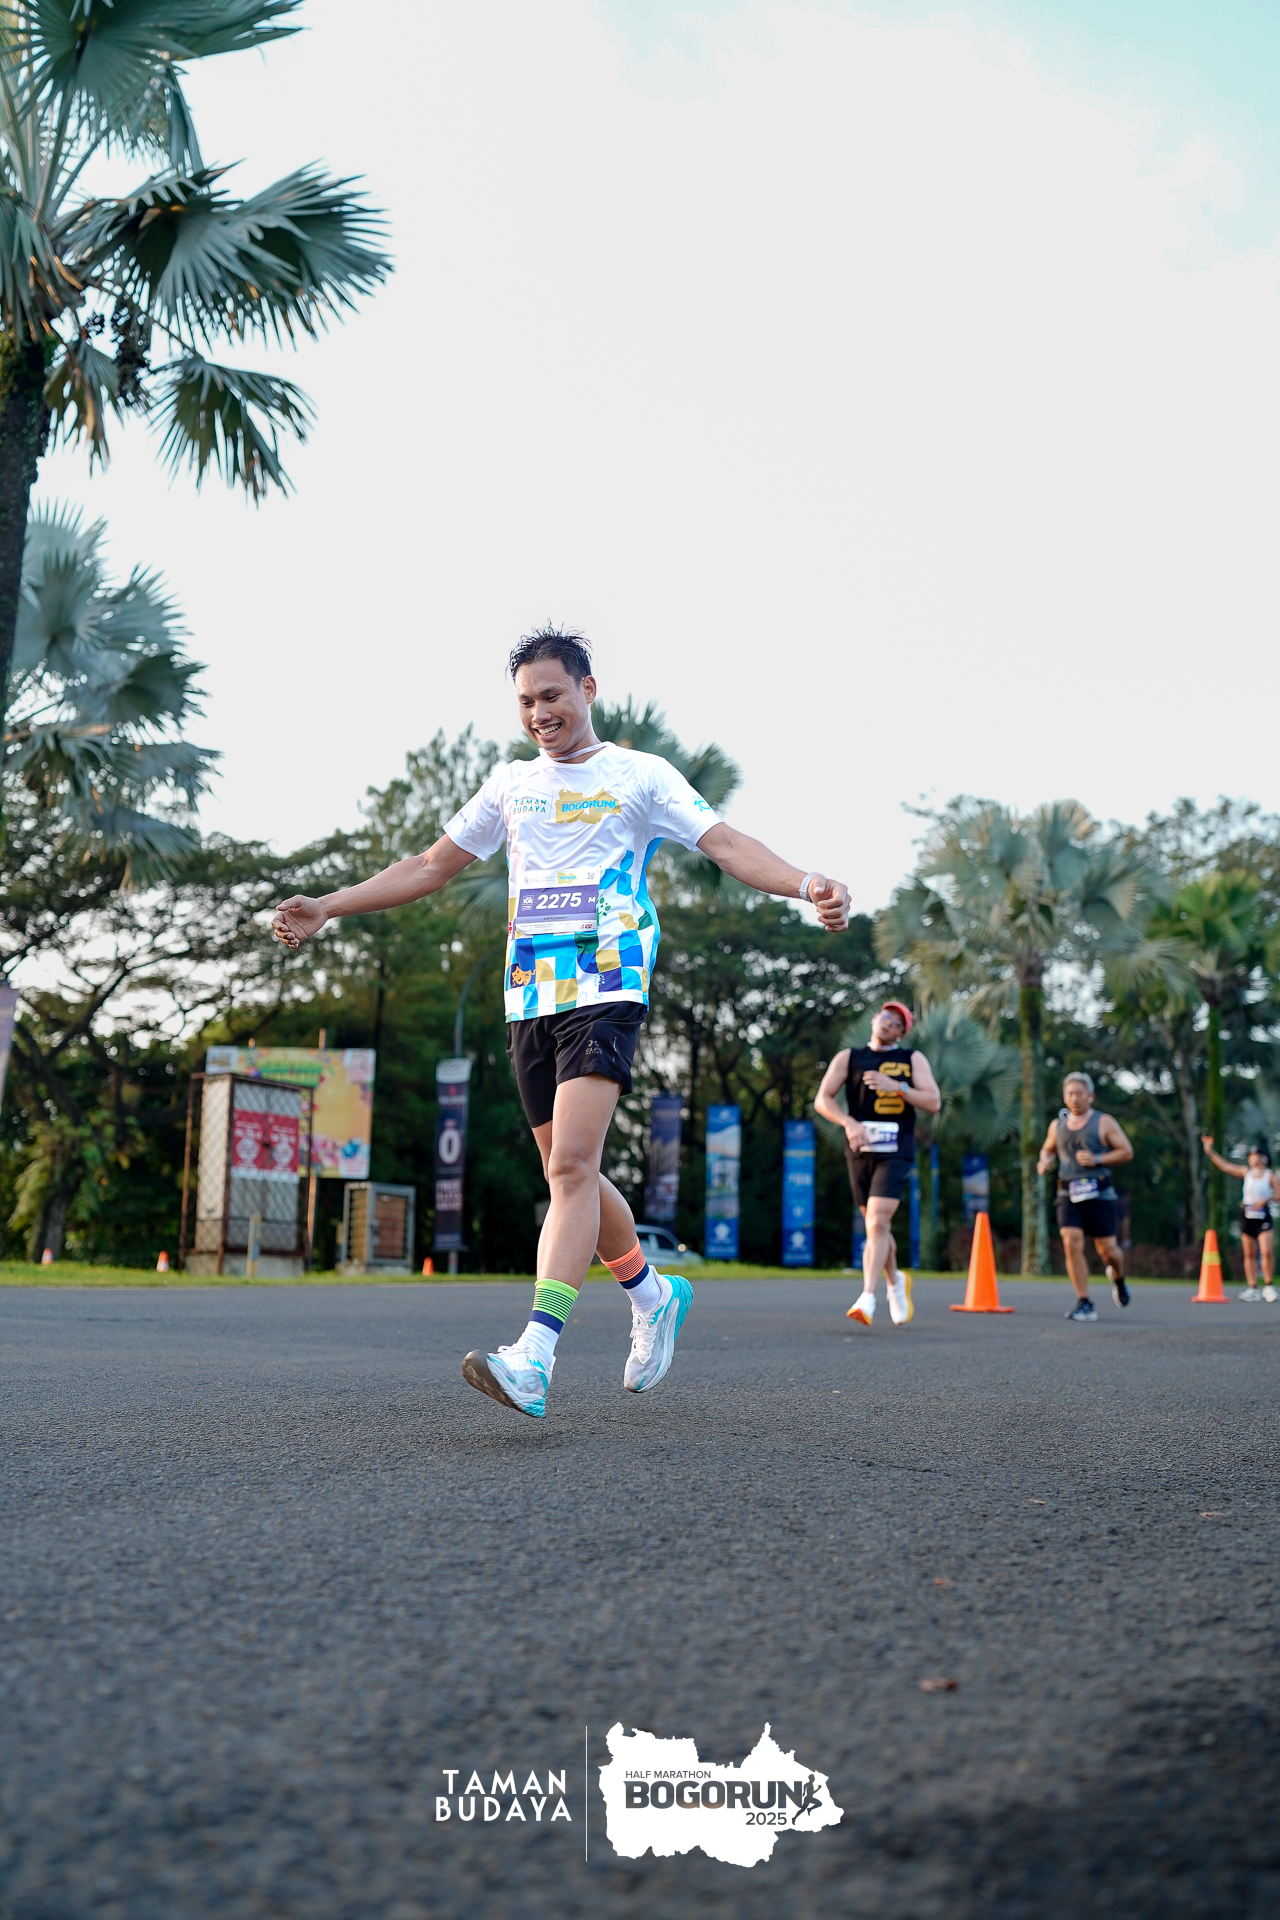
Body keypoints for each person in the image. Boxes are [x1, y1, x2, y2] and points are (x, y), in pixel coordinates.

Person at [271, 628, 851, 1418]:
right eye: (525, 702)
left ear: (588, 689)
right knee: (566, 1172)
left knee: (573, 1167)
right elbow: (430, 866)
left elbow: (724, 844)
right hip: (529, 997)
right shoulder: (511, 785)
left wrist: (806, 882)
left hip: (607, 982)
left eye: (551, 695)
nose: (539, 712)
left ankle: (534, 1357)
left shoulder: (638, 775)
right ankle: (652, 1295)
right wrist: (329, 906)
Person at [813, 1002, 940, 1327]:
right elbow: (822, 1099)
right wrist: (848, 1123)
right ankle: (896, 1281)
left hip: (896, 1150)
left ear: (902, 1033)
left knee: (878, 1221)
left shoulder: (912, 1059)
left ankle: (868, 1296)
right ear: (874, 1019)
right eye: (886, 1016)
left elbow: (933, 1101)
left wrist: (898, 1087)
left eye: (897, 1023)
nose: (889, 1023)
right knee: (875, 1226)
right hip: (861, 1149)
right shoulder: (849, 1057)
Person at [1036, 1072, 1134, 1321]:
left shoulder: (1104, 1122)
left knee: (1108, 1251)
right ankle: (1084, 1301)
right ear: (1064, 1097)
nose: (1074, 1098)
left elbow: (1126, 1151)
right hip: (1067, 1191)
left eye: (1079, 1094)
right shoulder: (1057, 1126)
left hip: (1098, 1192)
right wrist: (1044, 1161)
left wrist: (1097, 1158)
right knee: (1071, 1240)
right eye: (1070, 1094)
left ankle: (1119, 1278)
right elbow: (1047, 1150)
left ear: (1090, 1096)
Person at [1199, 1136, 1280, 1302]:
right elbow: (1225, 1166)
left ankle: (1268, 1285)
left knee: (1266, 1251)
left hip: (1263, 1215)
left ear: (1263, 1158)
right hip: (1247, 1215)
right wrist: (1210, 1151)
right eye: (1251, 1156)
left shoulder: (1269, 1175)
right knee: (1249, 1253)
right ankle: (1252, 1287)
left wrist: (1266, 1200)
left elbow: (1279, 1194)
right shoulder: (1246, 1172)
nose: (1253, 1158)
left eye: (1256, 1155)